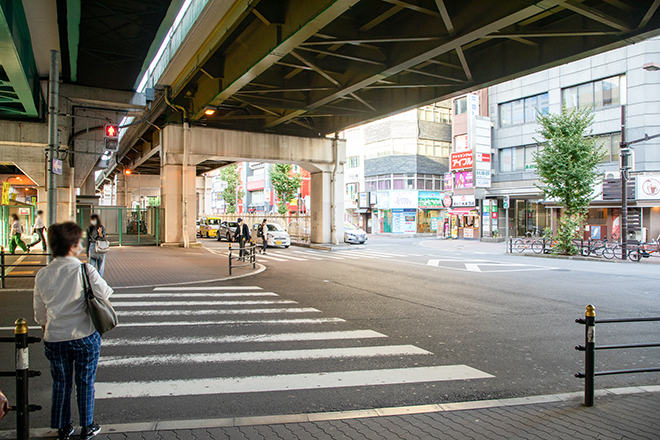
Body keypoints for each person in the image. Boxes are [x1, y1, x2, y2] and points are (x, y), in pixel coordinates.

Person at [33, 222, 113, 440]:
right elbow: (105, 293)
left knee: (61, 382)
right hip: (84, 336)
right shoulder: (84, 269)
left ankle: (63, 427)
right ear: (72, 245)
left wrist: (47, 330)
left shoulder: (42, 274)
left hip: (55, 338)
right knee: (85, 380)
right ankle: (87, 426)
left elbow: (40, 314)